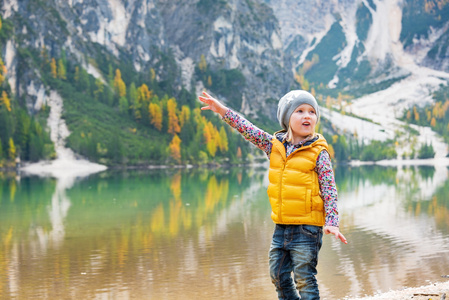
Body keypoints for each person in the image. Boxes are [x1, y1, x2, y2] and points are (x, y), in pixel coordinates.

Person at [199, 90, 347, 300]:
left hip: (308, 228)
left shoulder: (319, 152)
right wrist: (222, 110)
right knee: (277, 275)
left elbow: (329, 188)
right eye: (300, 111)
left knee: (304, 278)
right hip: (282, 227)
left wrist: (332, 221)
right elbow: (248, 129)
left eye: (312, 112)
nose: (307, 116)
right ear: (287, 118)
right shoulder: (273, 146)